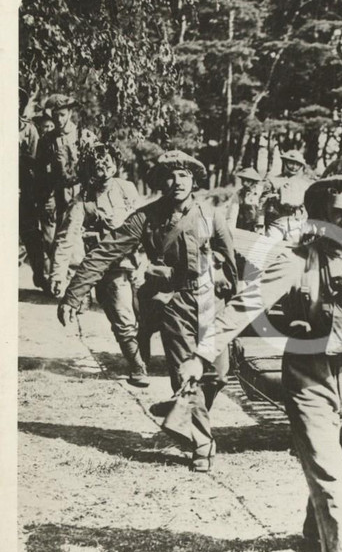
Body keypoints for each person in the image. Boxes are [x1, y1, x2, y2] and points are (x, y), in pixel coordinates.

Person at [176, 174, 342, 552]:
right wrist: (201, 354)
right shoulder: (295, 260)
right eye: (335, 214)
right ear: (319, 219)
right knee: (326, 468)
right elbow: (244, 305)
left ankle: (317, 531)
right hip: (309, 376)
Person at [58, 150, 237, 471]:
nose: (177, 182)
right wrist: (74, 293)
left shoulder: (212, 214)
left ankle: (185, 409)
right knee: (186, 373)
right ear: (161, 182)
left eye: (184, 176)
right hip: (174, 302)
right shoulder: (146, 217)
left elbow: (230, 259)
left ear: (194, 181)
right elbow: (105, 251)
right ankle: (202, 442)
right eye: (170, 176)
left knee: (217, 375)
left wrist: (231, 297)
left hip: (211, 301)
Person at [50, 142, 147, 386]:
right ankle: (137, 366)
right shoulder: (84, 200)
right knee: (123, 318)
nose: (104, 167)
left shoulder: (127, 188)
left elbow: (144, 223)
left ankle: (144, 354)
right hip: (108, 267)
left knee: (146, 312)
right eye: (98, 163)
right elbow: (66, 237)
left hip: (138, 261)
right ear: (90, 169)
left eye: (108, 161)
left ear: (116, 163)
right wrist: (58, 274)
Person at [36, 94, 97, 292]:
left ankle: (71, 282)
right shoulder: (47, 140)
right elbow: (41, 173)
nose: (59, 120)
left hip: (84, 193)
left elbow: (100, 166)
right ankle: (71, 283)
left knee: (72, 234)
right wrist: (46, 200)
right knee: (63, 238)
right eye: (55, 116)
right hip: (59, 194)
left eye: (62, 115)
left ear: (70, 113)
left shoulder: (85, 136)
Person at [18, 88, 44, 287]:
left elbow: (35, 163)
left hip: (23, 189)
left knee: (31, 233)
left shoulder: (29, 129)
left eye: (18, 101)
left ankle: (39, 273)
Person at [263, 149, 315, 243]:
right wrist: (259, 224)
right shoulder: (273, 181)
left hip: (296, 225)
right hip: (276, 223)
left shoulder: (305, 185)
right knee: (269, 248)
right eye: (291, 163)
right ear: (285, 162)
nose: (294, 167)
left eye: (297, 164)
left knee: (292, 253)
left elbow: (311, 208)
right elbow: (262, 204)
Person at [225, 166, 268, 234]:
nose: (244, 183)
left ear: (254, 181)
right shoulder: (239, 194)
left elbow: (262, 210)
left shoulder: (261, 193)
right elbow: (232, 214)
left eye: (248, 181)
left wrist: (260, 227)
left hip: (260, 225)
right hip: (243, 224)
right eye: (243, 180)